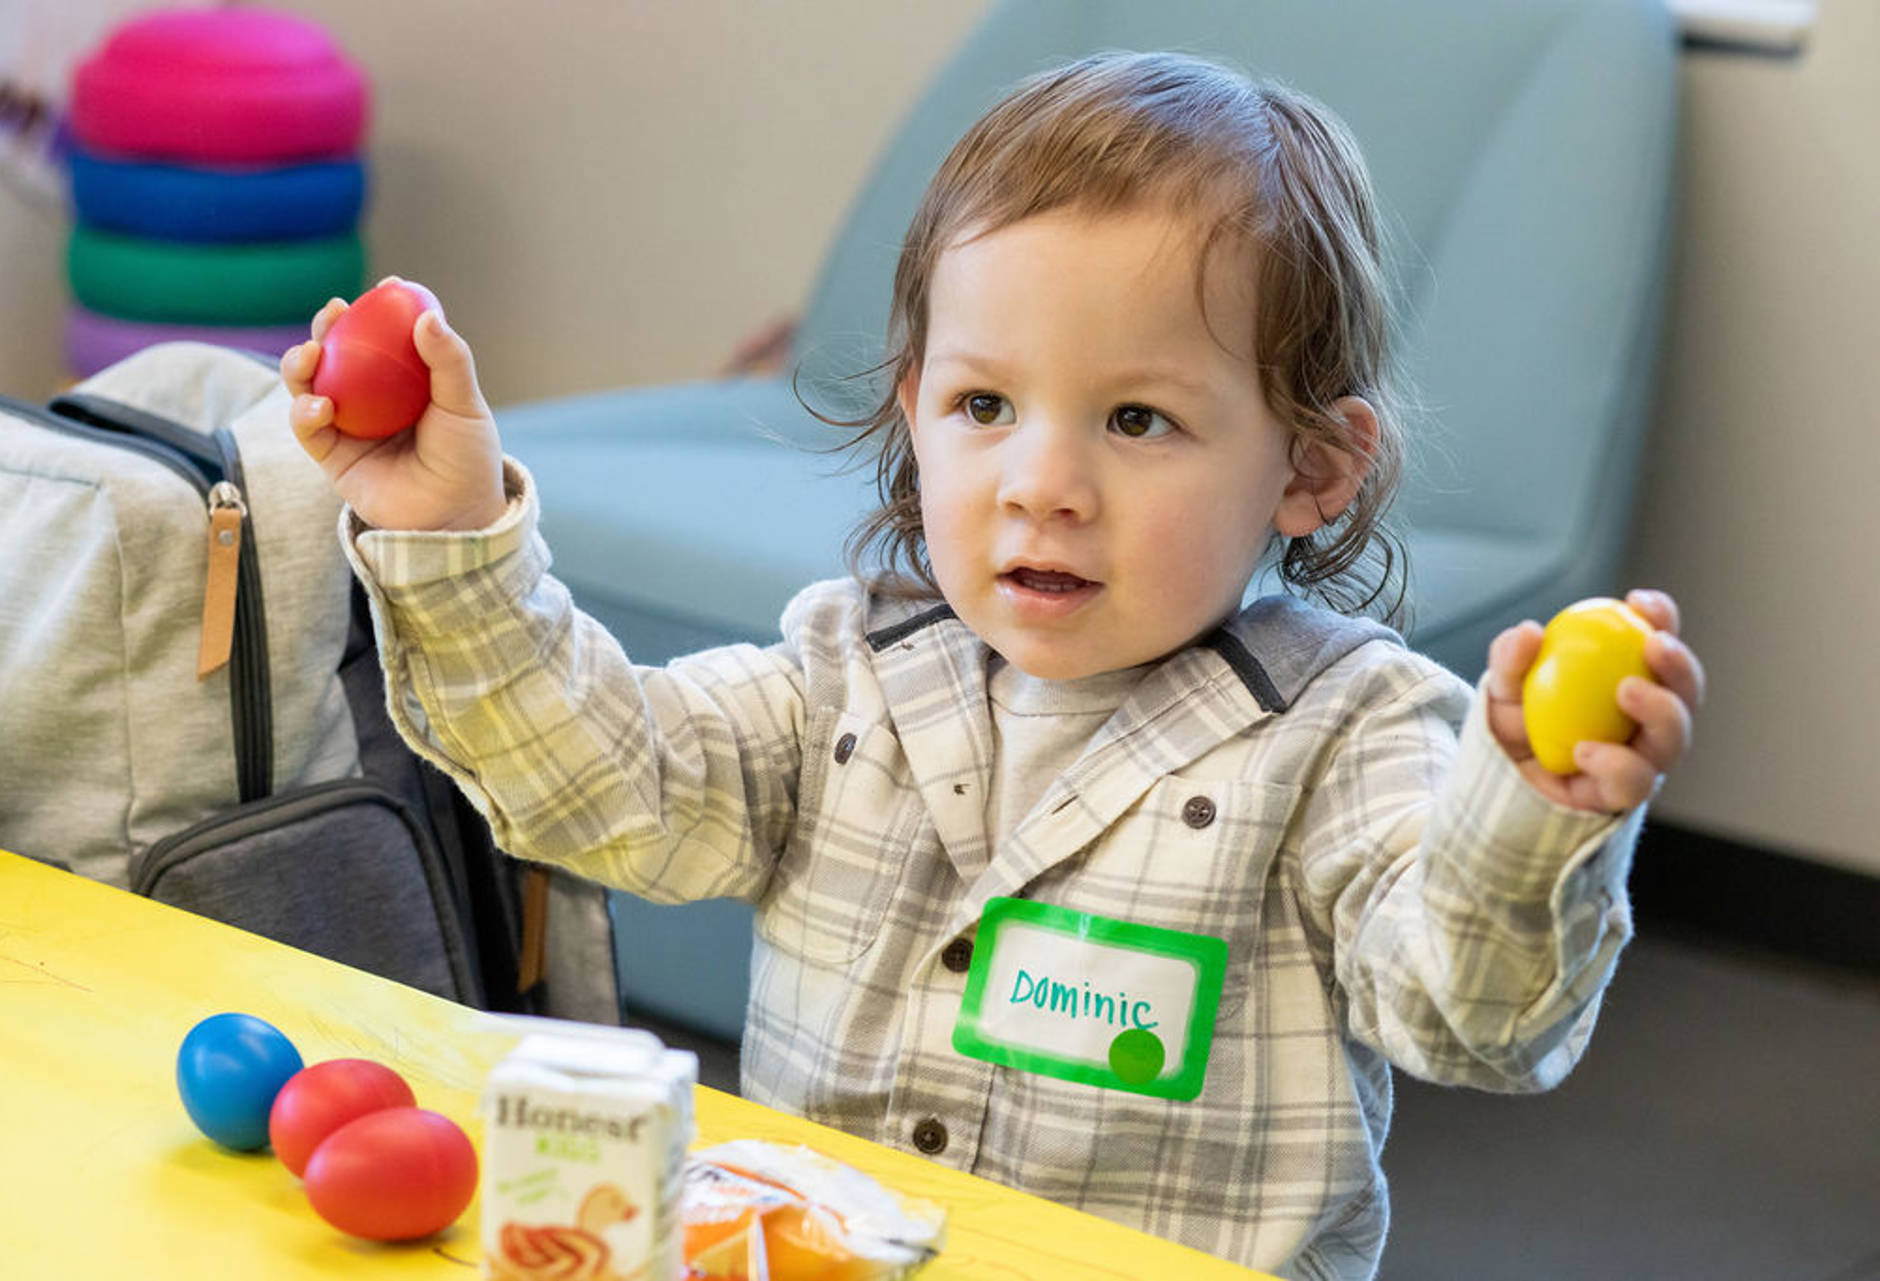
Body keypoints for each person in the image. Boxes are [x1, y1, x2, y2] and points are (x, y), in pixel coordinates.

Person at [284, 51, 1704, 1281]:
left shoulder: (1350, 735)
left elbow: (1471, 1015)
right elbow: (592, 788)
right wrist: (453, 535)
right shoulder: (840, 675)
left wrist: (1531, 810)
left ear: (1313, 466)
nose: (1045, 483)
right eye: (984, 404)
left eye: (1139, 419)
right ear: (916, 415)